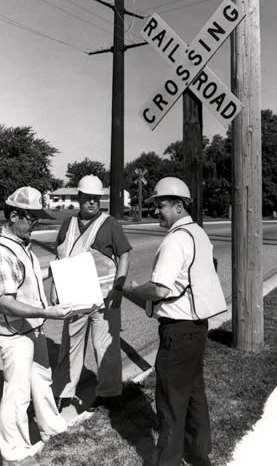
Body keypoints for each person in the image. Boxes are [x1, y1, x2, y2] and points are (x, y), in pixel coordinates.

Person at [123, 177, 227, 466]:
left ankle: (166, 461)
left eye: (161, 205)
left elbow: (159, 289)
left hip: (178, 331)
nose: (156, 211)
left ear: (179, 206)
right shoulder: (198, 234)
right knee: (194, 394)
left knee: (170, 403)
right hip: (196, 328)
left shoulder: (175, 240)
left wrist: (131, 289)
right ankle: (197, 455)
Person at [0, 186, 73, 466]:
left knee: (42, 380)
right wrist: (48, 312)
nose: (34, 225)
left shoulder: (22, 247)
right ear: (13, 215)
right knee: (17, 394)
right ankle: (13, 453)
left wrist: (61, 270)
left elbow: (31, 277)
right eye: (31, 219)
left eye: (36, 219)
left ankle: (52, 428)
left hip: (33, 329)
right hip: (15, 334)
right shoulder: (0, 252)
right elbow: (7, 302)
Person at [52, 175, 132, 410]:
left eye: (96, 199)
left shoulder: (110, 224)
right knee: (70, 347)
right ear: (79, 198)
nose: (92, 203)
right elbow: (60, 258)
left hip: (105, 300)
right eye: (88, 198)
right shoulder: (68, 224)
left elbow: (124, 255)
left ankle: (110, 395)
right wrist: (54, 289)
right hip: (75, 299)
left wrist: (119, 288)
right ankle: (63, 394)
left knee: (105, 347)